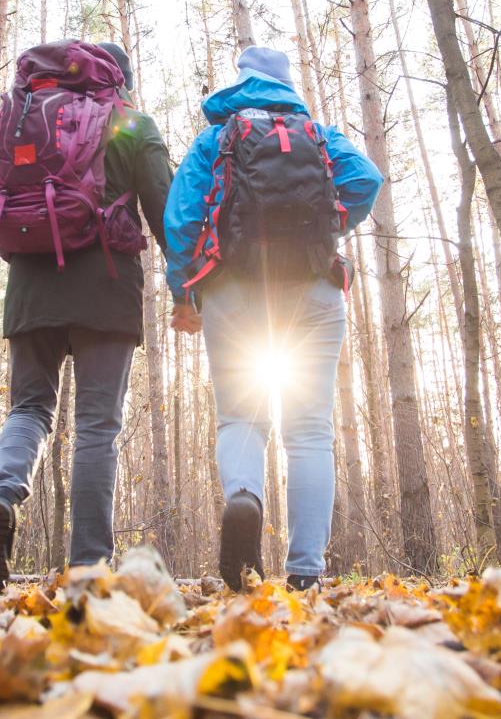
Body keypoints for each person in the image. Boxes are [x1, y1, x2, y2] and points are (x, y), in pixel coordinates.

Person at [163, 46, 381, 591]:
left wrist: (183, 293)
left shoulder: (218, 137)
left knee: (241, 418)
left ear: (241, 82)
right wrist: (325, 224)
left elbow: (181, 220)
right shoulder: (320, 135)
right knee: (309, 431)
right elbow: (367, 182)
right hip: (314, 288)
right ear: (288, 87)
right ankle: (306, 572)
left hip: (234, 288)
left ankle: (244, 497)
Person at [0, 40, 172, 590]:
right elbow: (166, 211)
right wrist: (189, 286)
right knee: (97, 427)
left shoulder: (33, 118)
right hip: (106, 289)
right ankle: (88, 567)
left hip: (32, 290)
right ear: (120, 79)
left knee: (29, 410)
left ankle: (1, 497)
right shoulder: (129, 123)